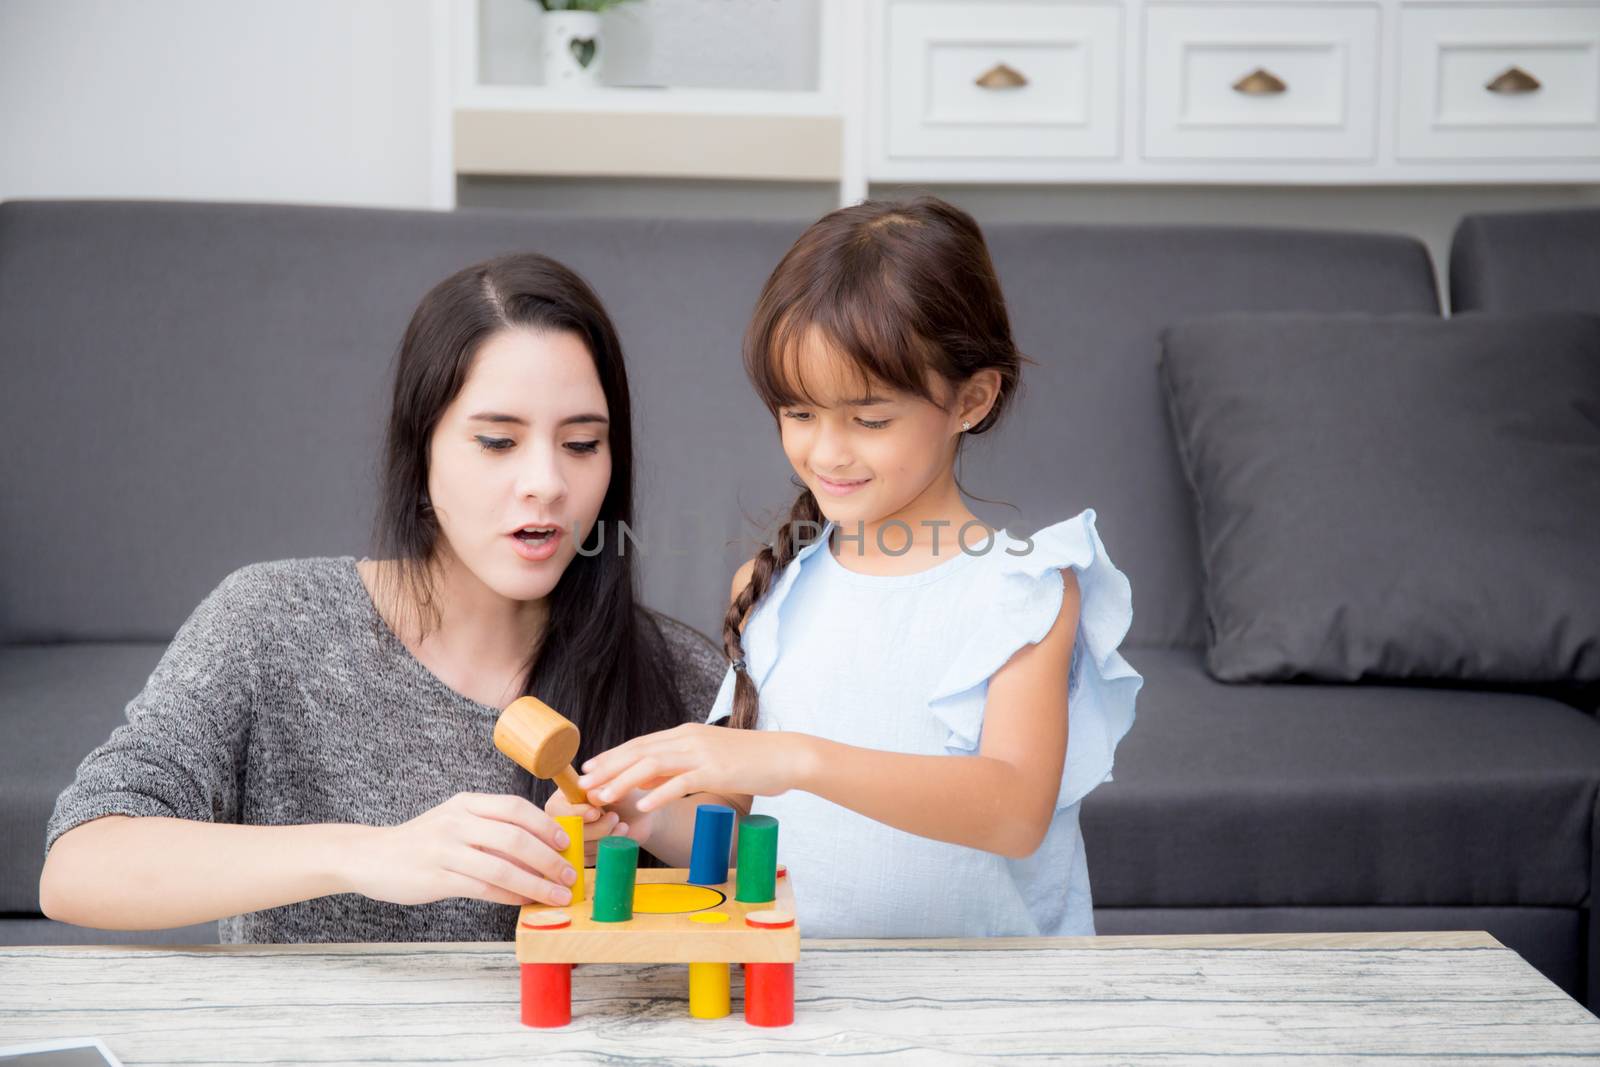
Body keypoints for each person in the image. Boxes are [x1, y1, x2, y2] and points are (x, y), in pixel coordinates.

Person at [39, 253, 723, 942]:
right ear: (419, 452)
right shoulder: (271, 624)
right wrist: (368, 852)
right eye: (497, 441)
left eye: (581, 443)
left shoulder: (680, 676)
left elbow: (783, 893)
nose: (545, 481)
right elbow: (78, 864)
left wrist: (661, 833)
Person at [556, 197, 1143, 937]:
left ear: (972, 397)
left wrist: (794, 758)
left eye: (869, 420)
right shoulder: (770, 591)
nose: (827, 452)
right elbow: (746, 843)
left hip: (993, 1018)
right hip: (811, 1006)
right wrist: (636, 817)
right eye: (799, 414)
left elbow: (1014, 812)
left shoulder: (1023, 590)